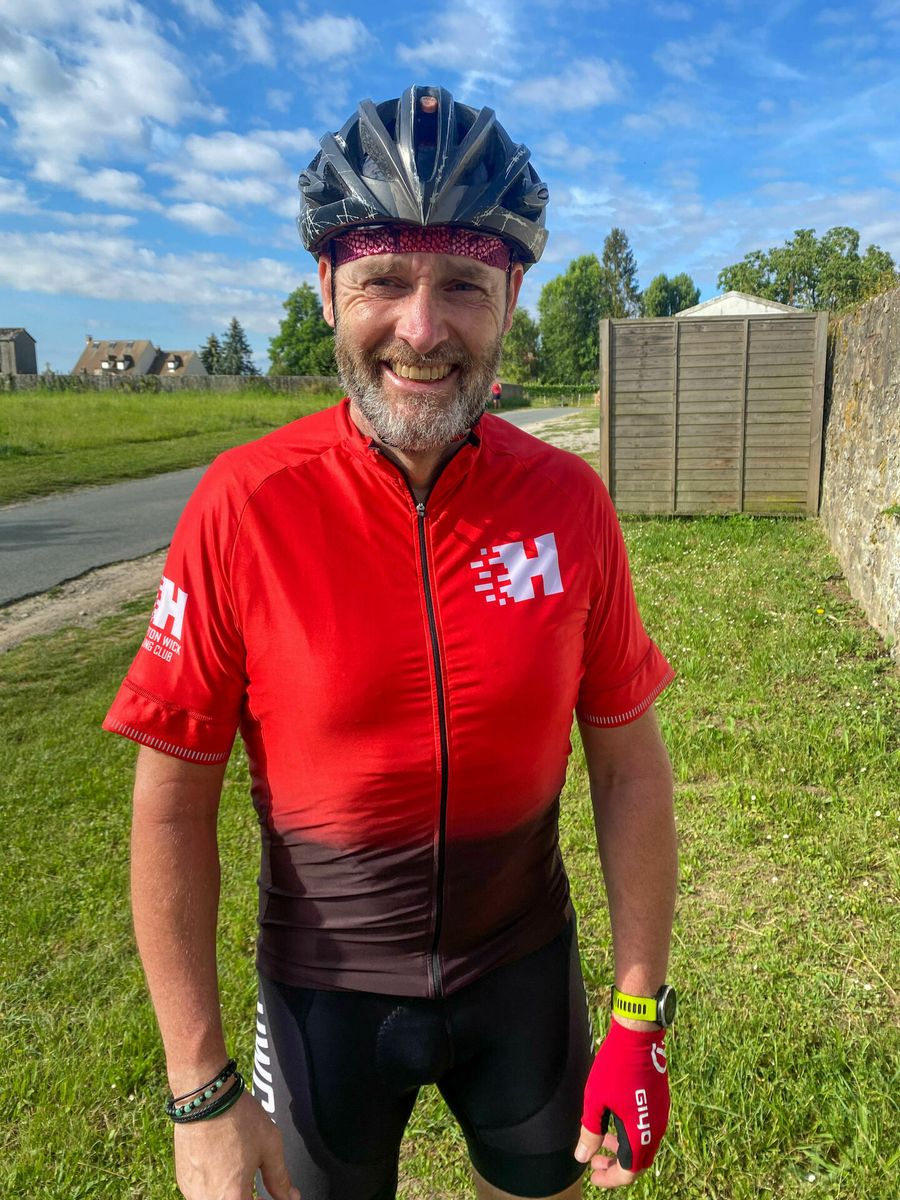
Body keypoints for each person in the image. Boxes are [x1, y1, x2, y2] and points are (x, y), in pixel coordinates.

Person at [104, 84, 678, 1200]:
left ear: (511, 297)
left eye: (463, 282)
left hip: (523, 975)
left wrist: (639, 1010)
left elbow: (628, 765)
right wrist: (199, 1090)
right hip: (322, 1002)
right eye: (384, 280)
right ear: (327, 287)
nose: (422, 329)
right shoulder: (242, 506)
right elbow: (170, 806)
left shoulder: (569, 503)